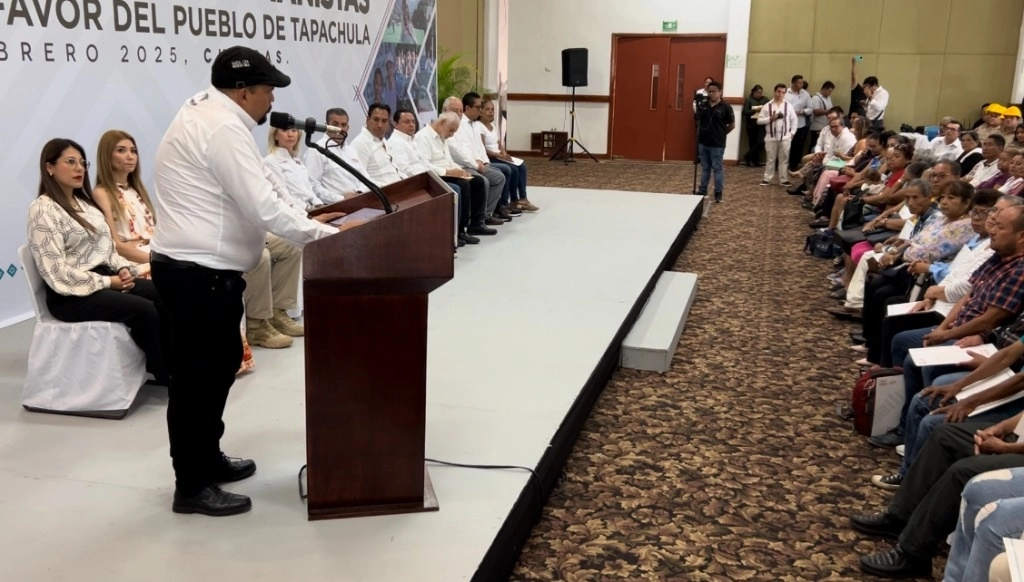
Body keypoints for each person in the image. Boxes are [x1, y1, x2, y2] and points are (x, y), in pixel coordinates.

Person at [150, 46, 355, 517]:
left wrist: (317, 224)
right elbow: (263, 207)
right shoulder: (223, 127)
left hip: (203, 272)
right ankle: (192, 485)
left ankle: (206, 459)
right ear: (243, 91)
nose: (271, 101)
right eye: (267, 91)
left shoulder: (208, 110)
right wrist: (331, 238)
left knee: (219, 366)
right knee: (198, 380)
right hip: (196, 274)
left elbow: (263, 197)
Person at [27, 138, 166, 383]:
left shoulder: (85, 204)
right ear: (49, 167)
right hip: (70, 295)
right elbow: (56, 271)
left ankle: (178, 360)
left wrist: (122, 269)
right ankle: (164, 371)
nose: (79, 168)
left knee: (165, 293)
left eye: (82, 162)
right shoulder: (42, 210)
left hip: (103, 278)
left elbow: (107, 249)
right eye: (70, 162)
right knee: (144, 310)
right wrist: (107, 282)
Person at [695, 81, 735, 203]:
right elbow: (698, 122)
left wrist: (721, 134)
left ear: (720, 92)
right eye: (709, 91)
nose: (711, 94)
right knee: (705, 167)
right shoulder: (703, 105)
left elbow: (732, 125)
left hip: (717, 144)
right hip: (703, 142)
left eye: (714, 91)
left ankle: (718, 193)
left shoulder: (726, 107)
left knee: (717, 168)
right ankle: (702, 190)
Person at [758, 83, 798, 187]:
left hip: (785, 137)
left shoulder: (788, 106)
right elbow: (759, 120)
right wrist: (770, 119)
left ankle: (783, 179)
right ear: (774, 92)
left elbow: (794, 120)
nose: (780, 94)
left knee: (784, 159)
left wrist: (792, 133)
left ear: (785, 93)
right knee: (770, 159)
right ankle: (767, 178)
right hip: (770, 137)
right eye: (778, 91)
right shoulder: (767, 106)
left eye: (783, 92)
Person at [742, 85, 768, 167]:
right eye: (758, 93)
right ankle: (753, 161)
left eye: (761, 93)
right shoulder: (749, 100)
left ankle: (747, 156)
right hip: (751, 125)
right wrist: (755, 110)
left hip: (762, 124)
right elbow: (745, 112)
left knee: (761, 142)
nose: (760, 94)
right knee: (752, 143)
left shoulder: (765, 99)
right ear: (753, 92)